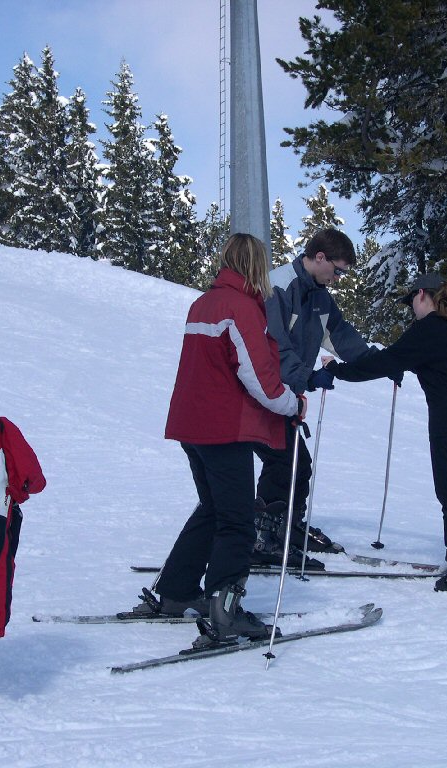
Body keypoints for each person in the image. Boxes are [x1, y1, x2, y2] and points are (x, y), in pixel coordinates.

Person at [143, 233, 304, 641]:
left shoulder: (204, 303)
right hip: (223, 429)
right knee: (236, 519)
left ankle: (177, 590)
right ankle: (225, 608)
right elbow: (259, 379)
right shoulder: (242, 308)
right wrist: (292, 405)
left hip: (191, 425)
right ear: (255, 265)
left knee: (213, 508)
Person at [321, 273, 447, 598]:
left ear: (422, 295)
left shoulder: (429, 328)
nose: (410, 310)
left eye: (411, 302)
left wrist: (337, 370)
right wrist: (399, 363)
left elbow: (388, 359)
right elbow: (426, 360)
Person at [252, 228, 372, 566]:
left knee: (294, 463)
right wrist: (308, 376)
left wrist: (375, 362)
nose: (339, 278)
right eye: (338, 270)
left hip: (286, 395)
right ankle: (264, 539)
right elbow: (271, 344)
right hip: (260, 393)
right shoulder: (279, 286)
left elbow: (340, 335)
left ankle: (285, 528)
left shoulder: (319, 296)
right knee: (286, 462)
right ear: (319, 257)